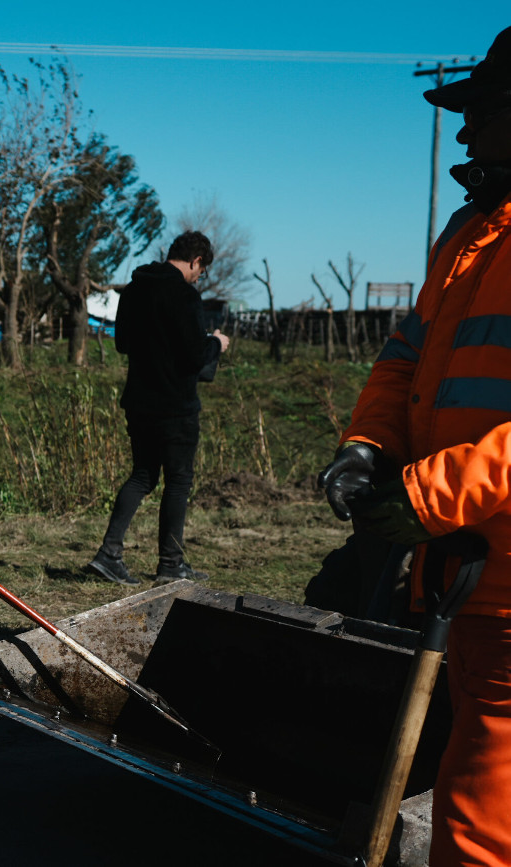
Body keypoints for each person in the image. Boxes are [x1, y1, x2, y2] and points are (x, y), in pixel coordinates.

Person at [316, 26, 511, 866]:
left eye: (482, 110)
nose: (463, 129)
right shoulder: (470, 236)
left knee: (483, 814)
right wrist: (368, 444)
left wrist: (432, 494)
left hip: (490, 562)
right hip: (468, 573)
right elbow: (406, 356)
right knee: (476, 788)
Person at [85, 231, 230, 587]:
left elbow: (122, 344)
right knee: (178, 481)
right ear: (196, 261)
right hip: (176, 406)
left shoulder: (134, 290)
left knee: (142, 476)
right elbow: (194, 356)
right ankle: (170, 564)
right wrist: (215, 343)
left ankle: (109, 554)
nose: (199, 278)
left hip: (138, 401)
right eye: (202, 272)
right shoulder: (185, 295)